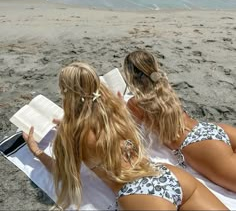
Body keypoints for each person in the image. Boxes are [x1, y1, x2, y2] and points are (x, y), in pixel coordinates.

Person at [23, 62, 228, 210]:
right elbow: (98, 126)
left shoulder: (70, 135)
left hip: (138, 192)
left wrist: (38, 151)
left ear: (65, 93)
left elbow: (63, 171)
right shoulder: (117, 112)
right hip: (165, 174)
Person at [123, 49, 236, 193]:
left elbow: (130, 135)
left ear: (130, 76)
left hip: (195, 144)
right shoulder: (165, 88)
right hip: (207, 128)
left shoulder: (135, 103)